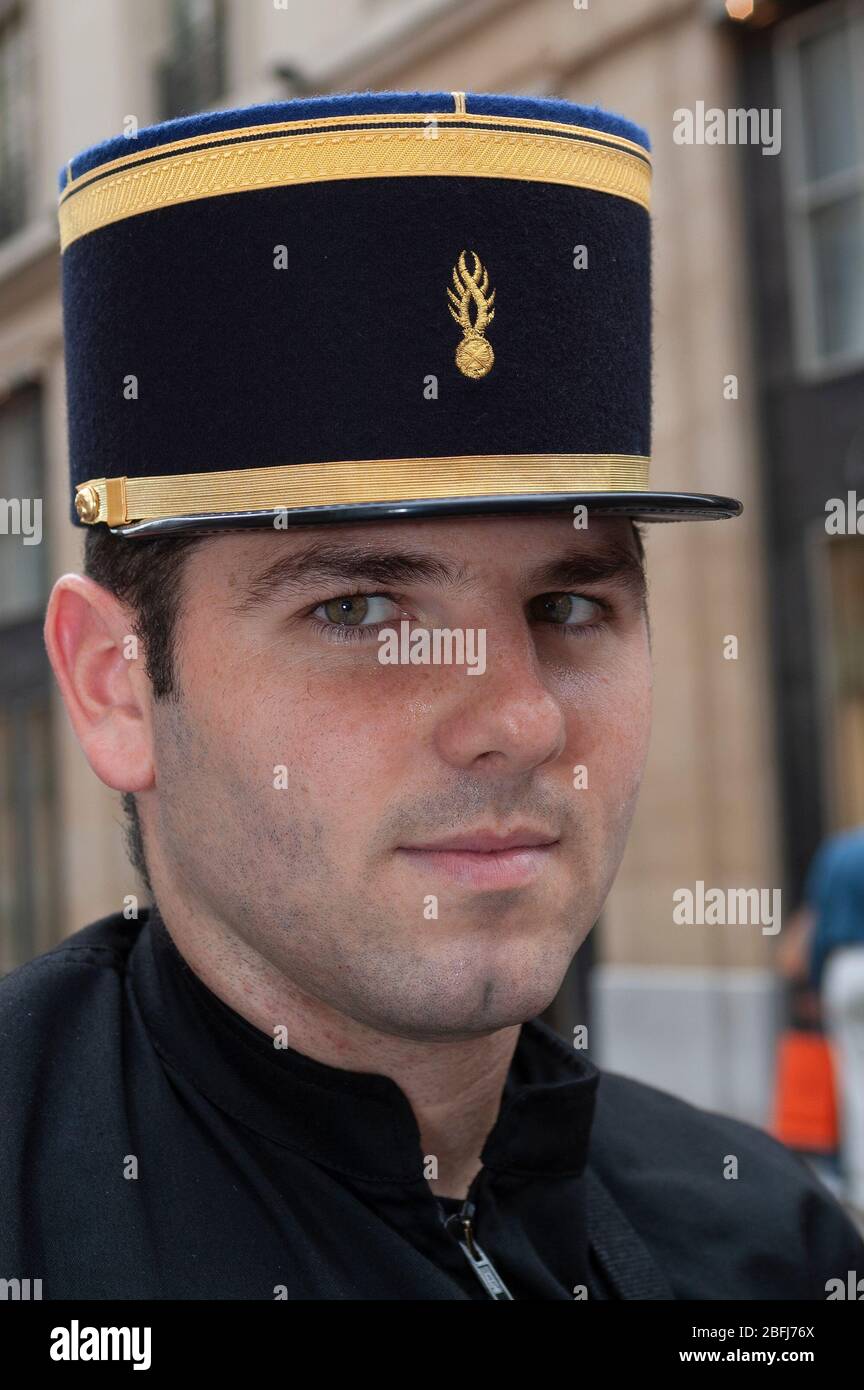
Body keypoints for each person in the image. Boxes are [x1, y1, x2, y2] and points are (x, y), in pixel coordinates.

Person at [1, 89, 861, 1300]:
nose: (519, 718)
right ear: (116, 686)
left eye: (568, 607)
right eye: (359, 611)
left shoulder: (767, 1245)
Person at [805, 828, 864, 1218]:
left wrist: (813, 979)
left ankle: (860, 1186)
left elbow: (817, 924)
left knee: (855, 1082)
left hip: (843, 968)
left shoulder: (837, 852)